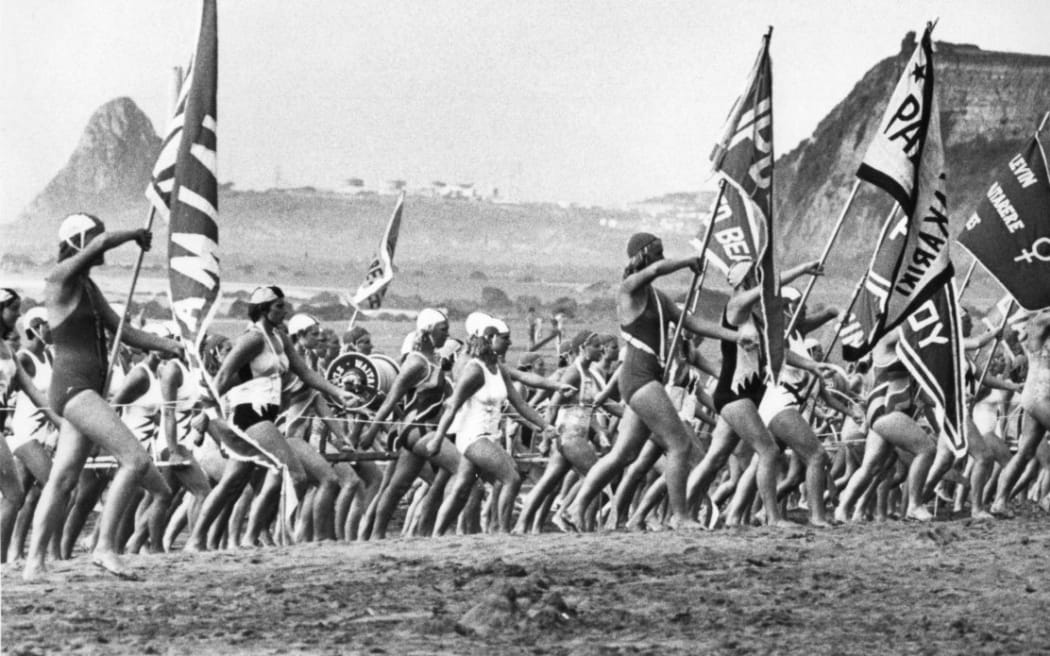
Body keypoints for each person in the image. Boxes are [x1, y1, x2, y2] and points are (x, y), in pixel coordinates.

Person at [24, 215, 183, 581]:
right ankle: (104, 547)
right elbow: (100, 244)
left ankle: (34, 565)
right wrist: (132, 235)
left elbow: (124, 331)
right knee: (135, 460)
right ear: (79, 241)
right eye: (94, 236)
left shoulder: (89, 289)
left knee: (62, 479)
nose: (100, 244)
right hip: (73, 388)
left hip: (84, 390)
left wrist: (166, 344)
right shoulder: (60, 278)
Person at [564, 233, 740, 531]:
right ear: (643, 256)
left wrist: (736, 336)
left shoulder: (659, 299)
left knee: (624, 454)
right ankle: (680, 516)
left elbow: (692, 324)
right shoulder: (628, 290)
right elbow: (656, 271)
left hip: (647, 378)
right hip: (638, 376)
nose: (661, 257)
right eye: (657, 252)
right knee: (680, 445)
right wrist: (687, 261)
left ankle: (575, 508)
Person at [426, 314, 556, 534]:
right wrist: (438, 438)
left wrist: (545, 425)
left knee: (462, 489)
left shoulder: (497, 368)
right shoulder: (474, 370)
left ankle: (437, 535)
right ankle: (504, 533)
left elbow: (520, 404)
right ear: (490, 338)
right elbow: (453, 406)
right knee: (511, 477)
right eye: (504, 338)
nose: (509, 343)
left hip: (487, 436)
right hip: (473, 436)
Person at [358, 309, 459, 539]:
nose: (447, 334)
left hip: (421, 430)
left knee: (397, 487)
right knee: (462, 470)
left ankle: (377, 535)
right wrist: (372, 430)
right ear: (429, 330)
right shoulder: (416, 363)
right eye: (443, 330)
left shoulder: (433, 361)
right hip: (416, 429)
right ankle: (441, 531)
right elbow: (392, 398)